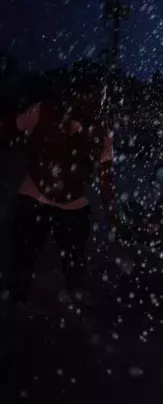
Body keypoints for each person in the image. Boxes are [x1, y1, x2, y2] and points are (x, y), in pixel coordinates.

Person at [0, 75, 116, 309]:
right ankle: (17, 302)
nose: (90, 104)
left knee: (67, 260)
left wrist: (113, 217)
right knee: (26, 255)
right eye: (87, 97)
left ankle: (34, 301)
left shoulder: (99, 131)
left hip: (68, 203)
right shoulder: (44, 112)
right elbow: (9, 130)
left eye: (95, 100)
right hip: (38, 196)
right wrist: (113, 217)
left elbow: (106, 179)